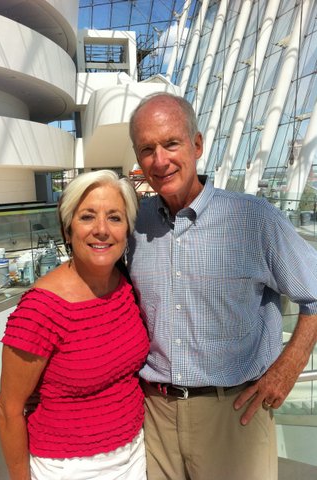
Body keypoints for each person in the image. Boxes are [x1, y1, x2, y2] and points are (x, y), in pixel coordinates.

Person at [127, 92, 317, 480]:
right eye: (147, 149)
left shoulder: (253, 219)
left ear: (197, 145)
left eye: (171, 143)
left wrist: (289, 366)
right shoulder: (134, 224)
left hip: (233, 415)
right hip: (154, 418)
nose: (159, 160)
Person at [0, 170, 149, 480]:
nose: (102, 230)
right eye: (87, 217)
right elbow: (8, 408)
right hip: (69, 468)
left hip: (134, 455)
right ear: (67, 231)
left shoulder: (125, 287)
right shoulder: (40, 309)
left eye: (115, 218)